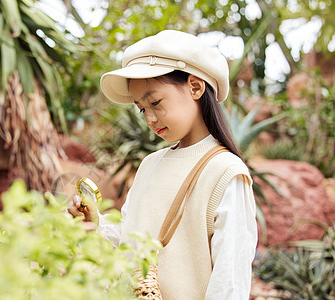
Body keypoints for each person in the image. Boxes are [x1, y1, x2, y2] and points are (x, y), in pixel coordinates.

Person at [69, 30, 257, 300]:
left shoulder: (226, 172)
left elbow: (230, 283)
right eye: (142, 109)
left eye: (155, 102)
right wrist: (94, 224)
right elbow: (132, 241)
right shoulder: (150, 164)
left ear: (195, 87)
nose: (150, 118)